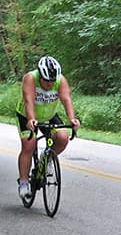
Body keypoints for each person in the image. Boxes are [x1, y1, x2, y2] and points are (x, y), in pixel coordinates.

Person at [16, 55, 81, 200]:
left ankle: (47, 160)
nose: (50, 84)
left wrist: (72, 119)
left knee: (63, 138)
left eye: (52, 80)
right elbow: (29, 101)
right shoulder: (30, 78)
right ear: (40, 75)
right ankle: (24, 182)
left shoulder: (60, 80)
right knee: (29, 144)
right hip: (26, 115)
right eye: (46, 80)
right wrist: (31, 119)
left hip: (49, 115)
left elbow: (66, 100)